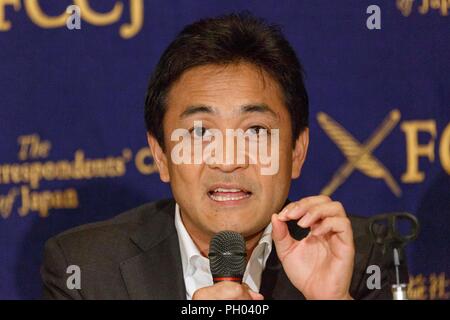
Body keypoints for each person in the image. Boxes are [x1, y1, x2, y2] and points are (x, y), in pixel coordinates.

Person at [41, 12, 404, 300]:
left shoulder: (356, 254)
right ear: (162, 156)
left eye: (256, 131)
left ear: (297, 152)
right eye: (200, 133)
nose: (228, 160)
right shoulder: (85, 268)